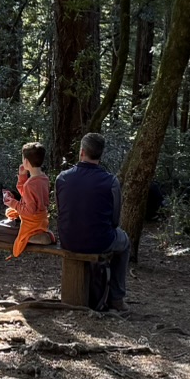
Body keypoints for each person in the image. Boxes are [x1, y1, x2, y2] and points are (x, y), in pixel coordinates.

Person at [55, 131, 131, 311]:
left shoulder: (62, 178)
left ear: (82, 151)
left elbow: (61, 211)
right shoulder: (111, 181)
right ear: (100, 154)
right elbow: (114, 220)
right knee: (125, 242)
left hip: (68, 239)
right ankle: (116, 298)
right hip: (100, 240)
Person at [0, 141, 54, 256]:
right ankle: (36, 234)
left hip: (30, 223)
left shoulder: (30, 184)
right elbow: (28, 196)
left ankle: (29, 237)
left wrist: (13, 203)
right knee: (9, 215)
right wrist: (22, 176)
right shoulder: (43, 178)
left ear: (26, 161)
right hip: (41, 221)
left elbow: (29, 211)